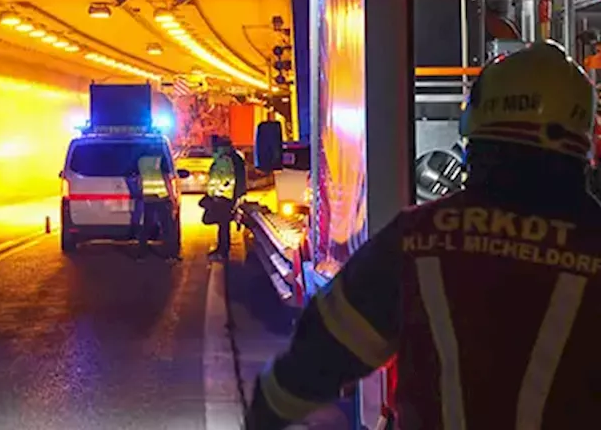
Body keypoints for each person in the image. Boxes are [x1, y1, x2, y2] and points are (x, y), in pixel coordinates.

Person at [245, 41, 601, 430]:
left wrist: (266, 411)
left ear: (477, 136)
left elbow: (323, 351)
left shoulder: (419, 238)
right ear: (584, 142)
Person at [206, 135, 246, 261]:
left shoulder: (224, 160)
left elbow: (224, 180)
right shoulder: (233, 157)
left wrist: (213, 193)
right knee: (223, 225)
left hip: (223, 197)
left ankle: (223, 251)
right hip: (228, 197)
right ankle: (221, 249)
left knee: (223, 226)